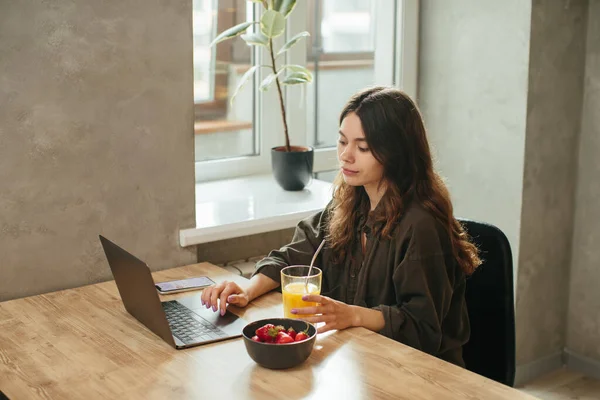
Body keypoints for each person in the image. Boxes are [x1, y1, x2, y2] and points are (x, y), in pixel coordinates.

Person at [201, 86, 481, 367]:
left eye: (363, 148)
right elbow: (294, 255)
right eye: (342, 142)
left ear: (396, 152)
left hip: (421, 376)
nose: (346, 156)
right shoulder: (351, 201)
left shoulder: (421, 225)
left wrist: (354, 315)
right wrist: (247, 290)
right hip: (361, 363)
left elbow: (423, 328)